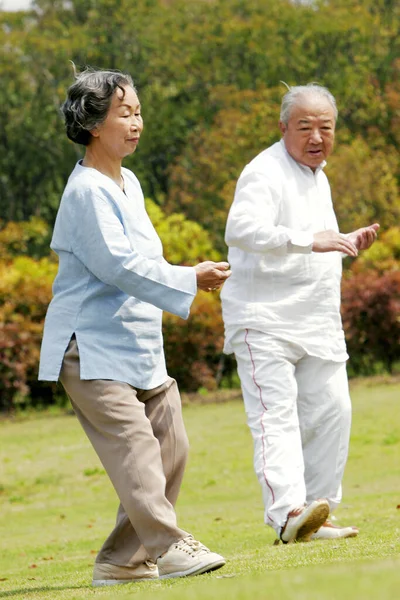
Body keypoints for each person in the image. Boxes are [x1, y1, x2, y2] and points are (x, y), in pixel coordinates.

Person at [39, 67, 230, 585]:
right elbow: (118, 265)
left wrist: (185, 277)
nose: (137, 122)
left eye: (139, 111)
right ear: (94, 123)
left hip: (137, 341)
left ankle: (121, 562)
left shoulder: (130, 183)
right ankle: (169, 548)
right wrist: (190, 277)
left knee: (171, 449)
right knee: (137, 450)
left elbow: (142, 263)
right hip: (90, 346)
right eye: (125, 113)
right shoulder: (86, 192)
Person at [220, 83, 379, 544]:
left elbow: (313, 238)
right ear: (283, 127)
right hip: (263, 318)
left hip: (316, 319)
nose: (316, 137)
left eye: (325, 127)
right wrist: (313, 239)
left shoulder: (319, 176)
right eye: (305, 127)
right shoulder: (263, 171)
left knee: (334, 411)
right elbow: (242, 228)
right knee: (277, 417)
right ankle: (287, 512)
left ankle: (319, 512)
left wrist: (345, 239)